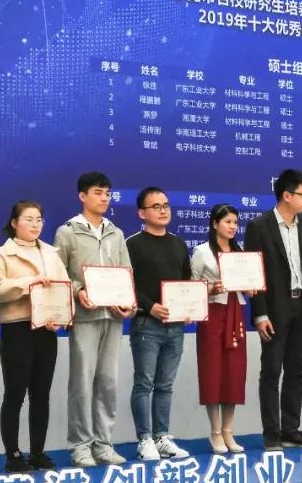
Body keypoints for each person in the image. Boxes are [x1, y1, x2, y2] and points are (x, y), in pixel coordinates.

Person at [53, 171, 134, 467]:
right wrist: (78, 291)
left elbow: (126, 273)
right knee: (82, 383)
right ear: (82, 196)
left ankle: (103, 443)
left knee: (108, 382)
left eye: (107, 193)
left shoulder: (116, 233)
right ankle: (81, 445)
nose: (104, 198)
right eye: (98, 192)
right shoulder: (68, 232)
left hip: (113, 318)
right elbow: (59, 274)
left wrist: (128, 305)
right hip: (85, 317)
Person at [244, 168, 302, 451]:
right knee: (271, 371)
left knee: (297, 371)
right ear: (286, 196)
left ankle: (291, 428)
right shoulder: (259, 227)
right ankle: (272, 432)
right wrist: (260, 314)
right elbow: (254, 274)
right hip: (275, 309)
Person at [0, 200, 69, 472]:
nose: (35, 225)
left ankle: (37, 452)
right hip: (17, 328)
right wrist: (29, 283)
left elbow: (63, 287)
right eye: (28, 219)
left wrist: (58, 317)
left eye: (39, 220)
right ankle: (13, 455)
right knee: (15, 393)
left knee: (41, 394)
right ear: (14, 223)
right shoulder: (2, 254)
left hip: (46, 330)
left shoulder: (50, 253)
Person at [126, 187, 192, 461]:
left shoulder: (178, 244)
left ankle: (162, 436)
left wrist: (189, 306)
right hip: (146, 324)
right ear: (142, 213)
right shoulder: (133, 244)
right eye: (156, 206)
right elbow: (126, 285)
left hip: (175, 326)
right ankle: (144, 439)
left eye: (166, 205)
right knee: (144, 383)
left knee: (165, 384)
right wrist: (149, 306)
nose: (163, 210)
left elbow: (186, 282)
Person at [191, 204, 248, 455]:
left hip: (236, 314)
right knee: (212, 372)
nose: (232, 227)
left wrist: (251, 286)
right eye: (227, 222)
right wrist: (212, 288)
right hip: (212, 315)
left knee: (234, 373)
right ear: (215, 224)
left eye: (235, 222)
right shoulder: (202, 251)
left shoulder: (240, 252)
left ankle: (228, 431)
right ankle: (215, 432)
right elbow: (191, 287)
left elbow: (249, 283)